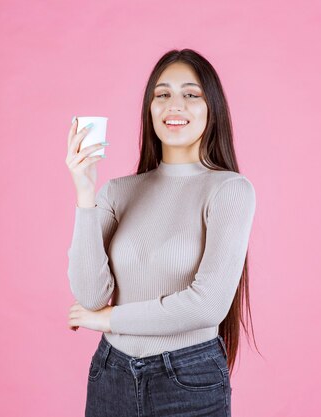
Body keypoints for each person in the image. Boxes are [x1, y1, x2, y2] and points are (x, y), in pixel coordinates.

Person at [65, 48, 257, 417]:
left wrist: (109, 320)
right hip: (111, 373)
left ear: (211, 108)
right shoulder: (118, 191)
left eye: (191, 94)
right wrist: (85, 192)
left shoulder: (229, 190)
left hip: (187, 378)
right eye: (162, 94)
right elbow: (89, 295)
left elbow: (207, 305)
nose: (175, 105)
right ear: (149, 108)